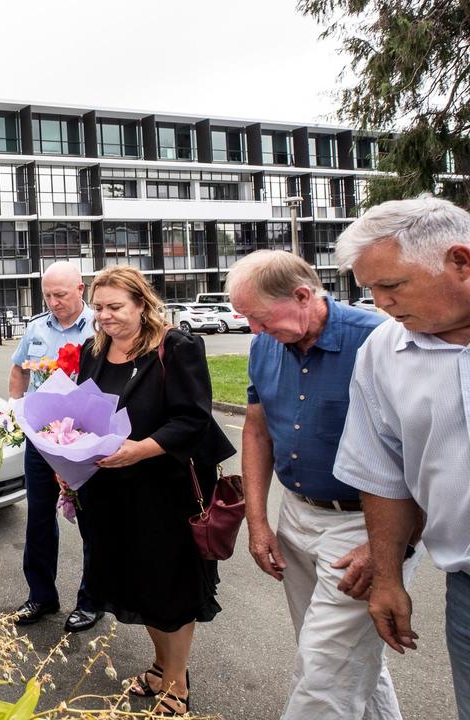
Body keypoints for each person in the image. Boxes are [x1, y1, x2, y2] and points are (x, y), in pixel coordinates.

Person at [228, 250, 420, 719]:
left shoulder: (379, 340)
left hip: (366, 525)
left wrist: (386, 546)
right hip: (297, 514)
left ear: (301, 295)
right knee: (342, 661)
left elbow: (426, 450)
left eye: (258, 316)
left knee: (324, 674)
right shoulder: (266, 344)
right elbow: (256, 430)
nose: (253, 329)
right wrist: (258, 523)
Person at [331, 195, 470, 720]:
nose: (381, 303)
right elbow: (383, 472)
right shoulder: (384, 351)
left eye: (392, 285)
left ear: (460, 261)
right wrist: (388, 577)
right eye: (371, 290)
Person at [77, 266, 235, 716]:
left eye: (115, 307)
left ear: (142, 305)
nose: (105, 316)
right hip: (114, 492)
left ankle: (177, 687)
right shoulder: (95, 349)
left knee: (172, 587)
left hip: (167, 492)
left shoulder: (177, 346)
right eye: (99, 307)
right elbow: (84, 408)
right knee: (140, 584)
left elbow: (192, 419)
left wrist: (140, 450)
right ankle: (162, 668)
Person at [6, 261, 101, 632]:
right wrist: (16, 409)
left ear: (81, 289)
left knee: (92, 523)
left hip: (84, 443)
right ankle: (41, 595)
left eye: (60, 294)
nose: (53, 302)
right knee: (39, 518)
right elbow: (19, 370)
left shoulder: (99, 327)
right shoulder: (35, 327)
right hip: (41, 441)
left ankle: (92, 600)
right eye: (47, 295)